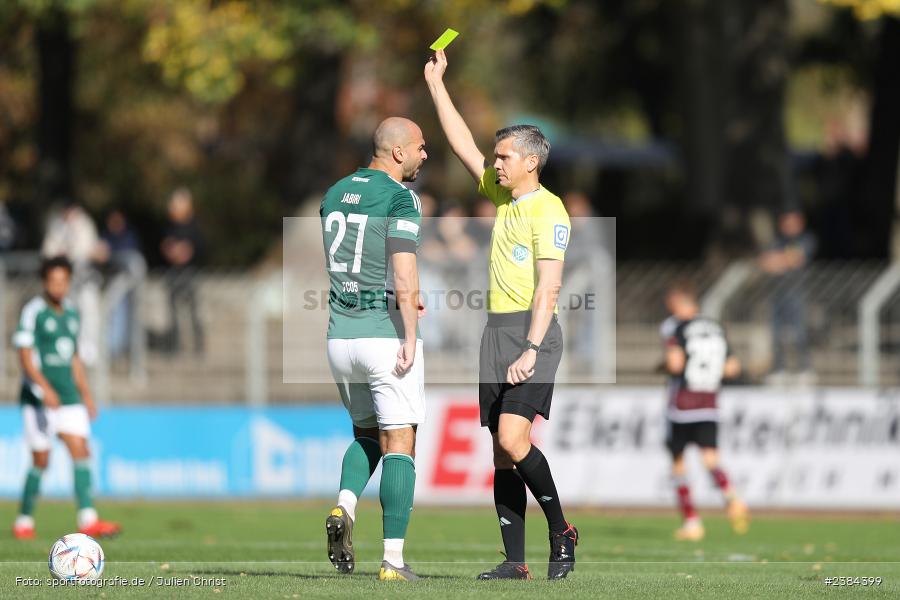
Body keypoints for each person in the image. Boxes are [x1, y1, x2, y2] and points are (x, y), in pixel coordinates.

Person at [425, 49, 578, 581]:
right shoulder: (504, 199)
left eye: (505, 157)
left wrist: (531, 348)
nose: (495, 163)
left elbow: (550, 286)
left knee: (515, 439)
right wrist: (437, 85)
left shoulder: (549, 209)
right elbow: (462, 145)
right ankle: (515, 562)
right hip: (495, 333)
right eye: (497, 157)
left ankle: (561, 530)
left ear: (531, 162)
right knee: (500, 453)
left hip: (532, 335)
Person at [321, 117, 427, 582]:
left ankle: (344, 506)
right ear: (399, 152)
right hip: (382, 334)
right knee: (400, 441)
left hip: (339, 337)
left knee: (366, 434)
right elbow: (403, 273)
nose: (425, 155)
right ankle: (393, 561)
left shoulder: (333, 192)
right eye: (420, 147)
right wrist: (410, 334)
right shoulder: (401, 197)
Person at [11, 256, 121, 540]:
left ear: (69, 282)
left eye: (63, 281)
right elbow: (24, 357)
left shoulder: (72, 313)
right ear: (45, 282)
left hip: (69, 397)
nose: (58, 286)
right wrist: (44, 388)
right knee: (41, 460)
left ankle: (88, 519)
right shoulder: (34, 311)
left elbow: (74, 358)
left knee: (81, 450)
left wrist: (86, 394)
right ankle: (24, 520)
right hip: (38, 398)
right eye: (53, 281)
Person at [661, 283, 748, 541]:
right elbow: (732, 368)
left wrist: (664, 366)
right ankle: (731, 495)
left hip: (683, 404)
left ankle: (692, 523)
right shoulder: (716, 327)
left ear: (680, 304)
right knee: (710, 459)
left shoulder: (678, 327)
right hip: (709, 401)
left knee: (678, 463)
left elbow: (675, 365)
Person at [759, 209, 816, 382]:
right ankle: (779, 369)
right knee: (776, 333)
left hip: (797, 292)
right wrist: (784, 260)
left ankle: (804, 369)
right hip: (777, 293)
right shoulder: (777, 241)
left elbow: (796, 259)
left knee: (799, 332)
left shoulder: (806, 239)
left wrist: (780, 260)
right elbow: (765, 262)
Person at [160, 188, 205, 355]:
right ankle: (174, 346)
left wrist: (188, 251)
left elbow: (200, 247)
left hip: (190, 273)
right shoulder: (169, 227)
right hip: (173, 273)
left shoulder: (194, 226)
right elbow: (164, 245)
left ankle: (198, 346)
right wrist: (169, 250)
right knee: (173, 312)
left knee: (194, 311)